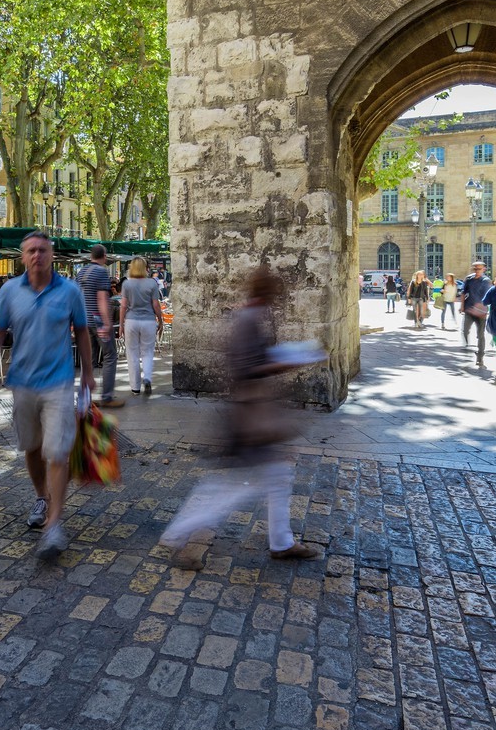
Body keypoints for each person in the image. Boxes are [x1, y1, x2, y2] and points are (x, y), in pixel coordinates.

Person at [158, 265, 322, 570]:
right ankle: (178, 533)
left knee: (276, 478)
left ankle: (283, 542)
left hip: (252, 412)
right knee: (230, 491)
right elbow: (245, 369)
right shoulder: (247, 320)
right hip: (249, 417)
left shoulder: (248, 317)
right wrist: (285, 362)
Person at [0, 232, 93, 562]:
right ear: (22, 256)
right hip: (22, 382)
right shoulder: (10, 290)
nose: (37, 255)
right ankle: (41, 497)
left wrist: (87, 373)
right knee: (31, 447)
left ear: (52, 254)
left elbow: (82, 331)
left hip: (58, 382)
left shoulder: (70, 290)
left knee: (57, 451)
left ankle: (54, 525)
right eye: (31, 251)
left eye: (43, 250)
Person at [76, 244, 122, 408]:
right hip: (98, 321)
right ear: (104, 256)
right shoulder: (102, 272)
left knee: (89, 360)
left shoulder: (81, 272)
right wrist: (107, 323)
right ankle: (107, 396)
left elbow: (76, 297)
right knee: (110, 355)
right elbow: (102, 298)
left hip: (83, 321)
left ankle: (85, 398)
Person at [121, 256, 164, 394]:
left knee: (132, 354)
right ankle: (147, 377)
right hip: (148, 321)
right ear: (145, 268)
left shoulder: (126, 284)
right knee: (147, 352)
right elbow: (156, 305)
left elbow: (123, 306)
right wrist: (160, 320)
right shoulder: (152, 283)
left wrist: (121, 325)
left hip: (131, 321)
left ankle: (135, 387)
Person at [460, 261, 491, 366]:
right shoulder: (469, 279)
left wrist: (483, 309)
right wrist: (462, 306)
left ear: (484, 269)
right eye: (475, 269)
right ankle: (467, 346)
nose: (476, 270)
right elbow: (463, 293)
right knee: (464, 330)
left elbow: (487, 297)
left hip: (481, 312)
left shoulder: (486, 281)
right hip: (469, 309)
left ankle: (480, 356)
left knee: (480, 335)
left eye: (479, 269)